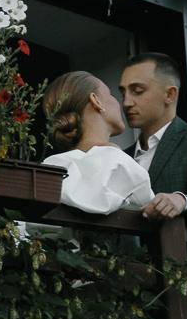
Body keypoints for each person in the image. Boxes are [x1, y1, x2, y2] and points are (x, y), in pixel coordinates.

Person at [117, 52, 187, 232]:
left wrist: (182, 201)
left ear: (170, 94)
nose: (126, 102)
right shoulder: (120, 157)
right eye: (123, 93)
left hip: (179, 257)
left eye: (137, 91)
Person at [41, 71, 154, 214]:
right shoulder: (118, 164)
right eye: (110, 94)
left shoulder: (52, 166)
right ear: (96, 100)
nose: (121, 103)